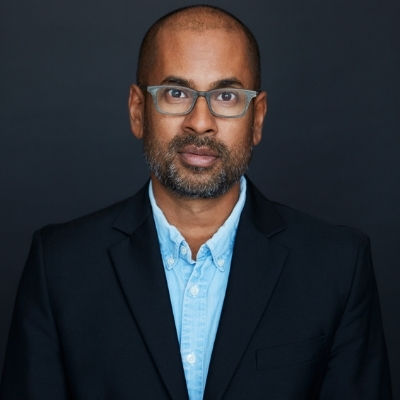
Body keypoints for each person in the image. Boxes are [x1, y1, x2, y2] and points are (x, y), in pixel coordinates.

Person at [0, 5, 392, 400]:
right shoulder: (60, 266)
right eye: (176, 93)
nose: (200, 121)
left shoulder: (337, 266)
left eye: (226, 95)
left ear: (257, 119)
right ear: (138, 111)